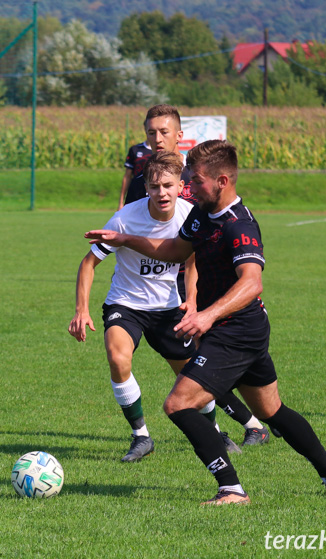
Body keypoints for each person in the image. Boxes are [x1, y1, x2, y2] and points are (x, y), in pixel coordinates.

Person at [85, 140, 326, 505]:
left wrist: (206, 314)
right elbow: (175, 251)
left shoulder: (238, 225)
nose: (189, 188)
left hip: (237, 331)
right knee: (271, 411)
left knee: (178, 405)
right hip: (239, 330)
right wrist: (124, 238)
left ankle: (231, 488)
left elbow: (251, 282)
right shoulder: (201, 214)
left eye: (195, 181)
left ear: (223, 181)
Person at [70, 151, 237, 461]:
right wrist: (82, 309)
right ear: (145, 187)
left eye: (168, 185)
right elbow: (89, 262)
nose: (161, 192)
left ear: (179, 187)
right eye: (154, 186)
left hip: (168, 309)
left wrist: (192, 300)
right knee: (118, 358)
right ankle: (141, 437)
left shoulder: (191, 215)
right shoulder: (125, 218)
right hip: (125, 304)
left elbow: (193, 257)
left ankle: (213, 433)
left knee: (192, 378)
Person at [122, 106, 271, 447]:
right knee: (196, 367)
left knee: (201, 366)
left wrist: (194, 295)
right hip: (160, 287)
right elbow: (140, 225)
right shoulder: (147, 179)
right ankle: (246, 426)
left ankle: (249, 426)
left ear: (179, 135)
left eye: (163, 132)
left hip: (199, 287)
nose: (157, 139)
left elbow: (203, 241)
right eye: (151, 133)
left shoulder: (198, 177)